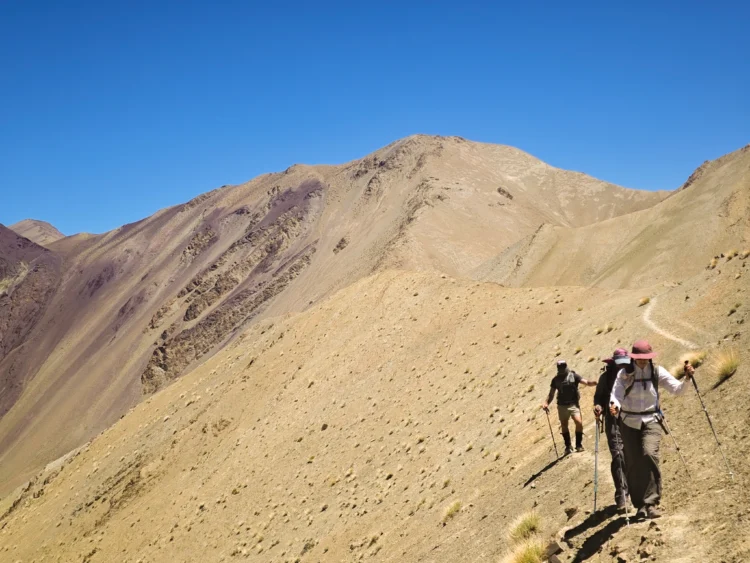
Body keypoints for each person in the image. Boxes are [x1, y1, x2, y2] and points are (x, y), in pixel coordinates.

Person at [609, 339, 694, 520]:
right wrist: (614, 405)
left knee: (649, 454)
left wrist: (686, 378)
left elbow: (677, 389)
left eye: (645, 357)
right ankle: (639, 505)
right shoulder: (624, 374)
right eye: (639, 358)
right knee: (632, 463)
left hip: (651, 419)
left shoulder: (656, 372)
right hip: (628, 422)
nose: (642, 361)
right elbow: (616, 394)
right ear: (633, 357)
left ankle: (651, 502)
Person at [594, 348, 631, 510]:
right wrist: (598, 406)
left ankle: (636, 490)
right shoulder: (605, 378)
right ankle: (622, 494)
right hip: (612, 419)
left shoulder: (632, 373)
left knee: (632, 453)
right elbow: (598, 397)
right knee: (618, 454)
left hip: (632, 417)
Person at [542, 360, 597, 455]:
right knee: (564, 424)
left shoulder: (573, 376)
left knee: (578, 422)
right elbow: (551, 394)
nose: (562, 368)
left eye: (563, 366)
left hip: (573, 404)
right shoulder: (555, 380)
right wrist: (546, 403)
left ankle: (578, 445)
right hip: (562, 405)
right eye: (561, 366)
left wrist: (595, 382)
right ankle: (568, 446)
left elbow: (586, 382)